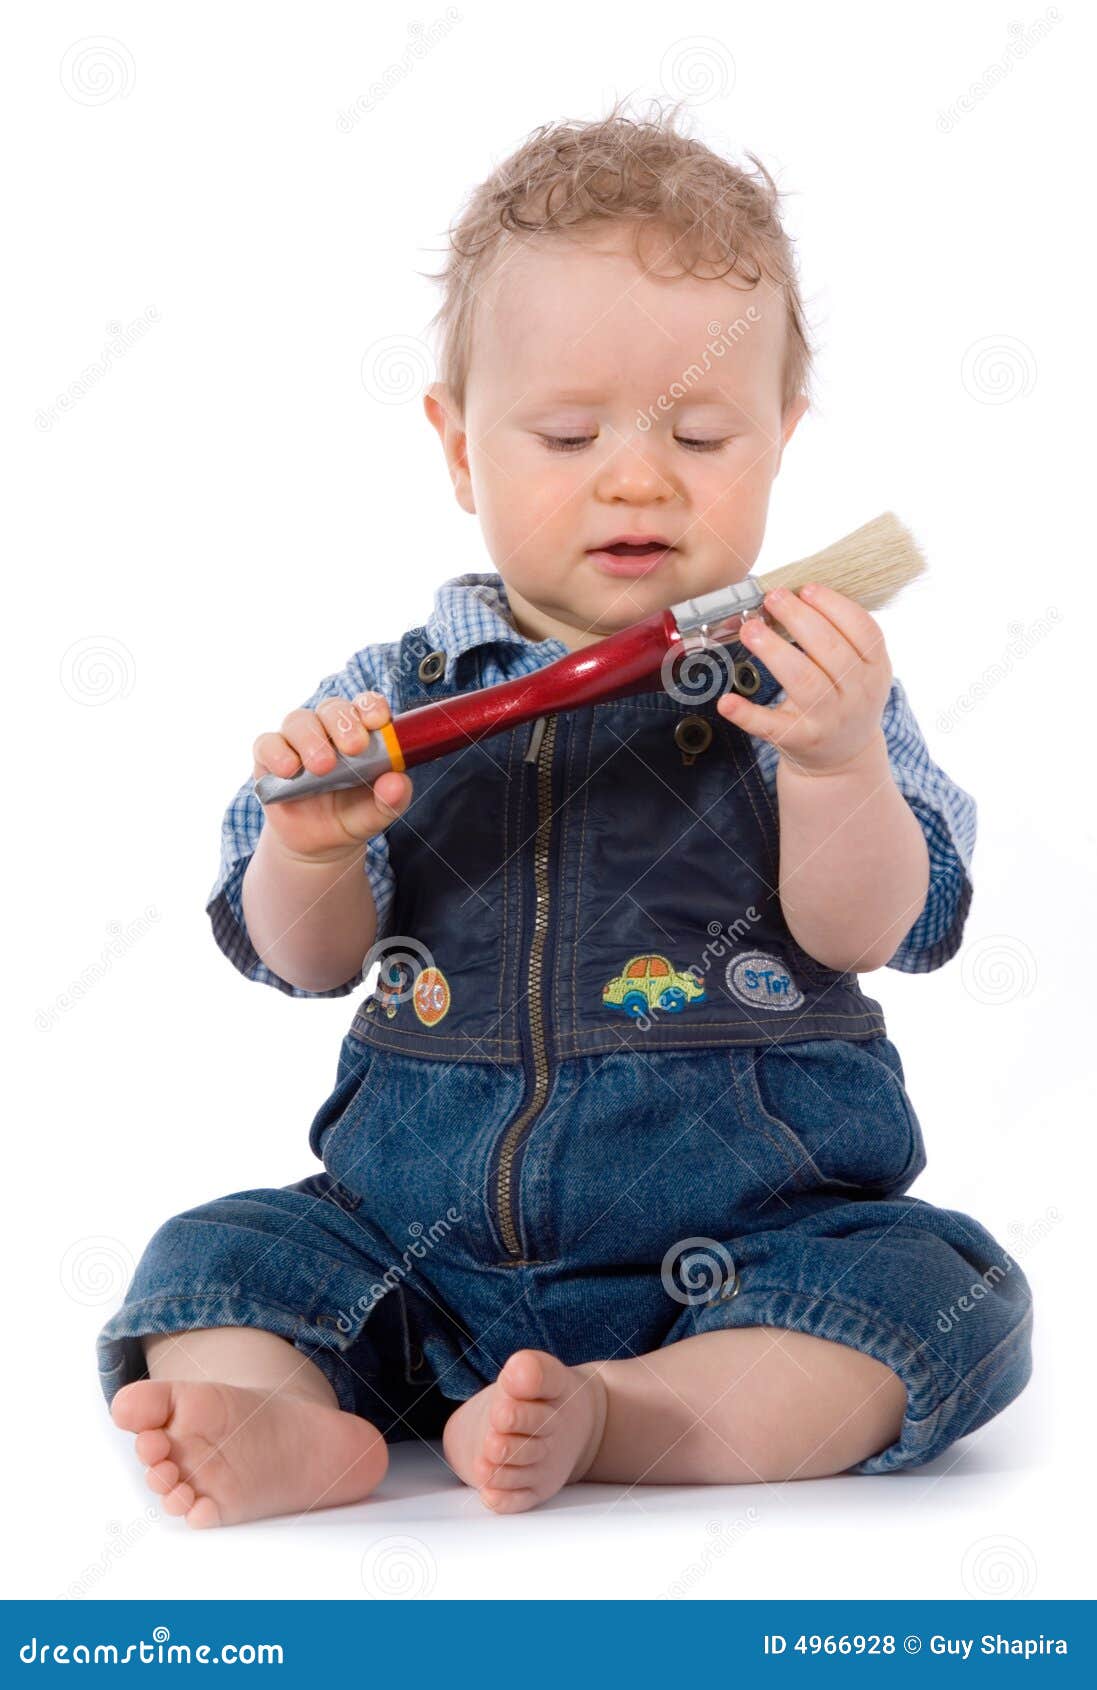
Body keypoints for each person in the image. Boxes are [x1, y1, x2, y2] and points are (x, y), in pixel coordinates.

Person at [97, 102, 1032, 1526]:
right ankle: (292, 1418)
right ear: (460, 447)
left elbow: (880, 927)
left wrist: (839, 764)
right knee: (215, 1255)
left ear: (780, 439)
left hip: (756, 1243)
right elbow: (302, 959)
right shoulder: (388, 694)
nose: (637, 473)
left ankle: (633, 1414)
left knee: (946, 1289)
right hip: (408, 1250)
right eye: (569, 430)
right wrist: (311, 845)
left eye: (701, 430)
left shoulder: (805, 681)